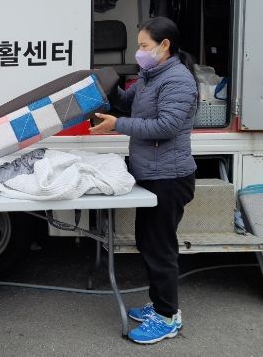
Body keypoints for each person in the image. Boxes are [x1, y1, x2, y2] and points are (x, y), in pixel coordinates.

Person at [89, 17, 198, 344]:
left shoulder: (178, 80)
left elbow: (166, 126)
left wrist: (117, 125)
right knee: (148, 242)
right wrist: (107, 85)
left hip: (170, 177)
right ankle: (160, 304)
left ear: (165, 46)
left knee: (160, 247)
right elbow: (127, 103)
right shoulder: (151, 76)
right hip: (151, 174)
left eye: (143, 46)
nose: (139, 52)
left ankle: (167, 317)